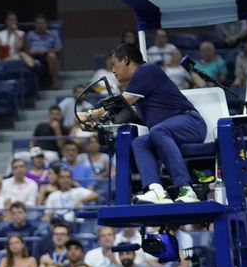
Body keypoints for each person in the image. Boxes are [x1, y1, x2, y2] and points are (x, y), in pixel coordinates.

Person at [79, 43, 206, 204]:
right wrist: (96, 125)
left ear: (125, 60)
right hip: (166, 132)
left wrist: (89, 115)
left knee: (158, 131)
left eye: (114, 65)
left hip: (191, 124)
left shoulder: (147, 71)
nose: (112, 70)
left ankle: (186, 188)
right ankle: (156, 191)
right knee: (139, 143)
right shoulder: (141, 89)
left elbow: (123, 101)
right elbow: (121, 112)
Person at [25, 14, 62, 89]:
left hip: (47, 56)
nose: (39, 25)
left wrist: (46, 50)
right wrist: (32, 52)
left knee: (52, 56)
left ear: (46, 24)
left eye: (41, 23)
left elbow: (59, 48)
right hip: (34, 57)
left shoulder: (53, 34)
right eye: (37, 23)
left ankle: (55, 81)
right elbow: (26, 49)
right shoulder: (30, 34)